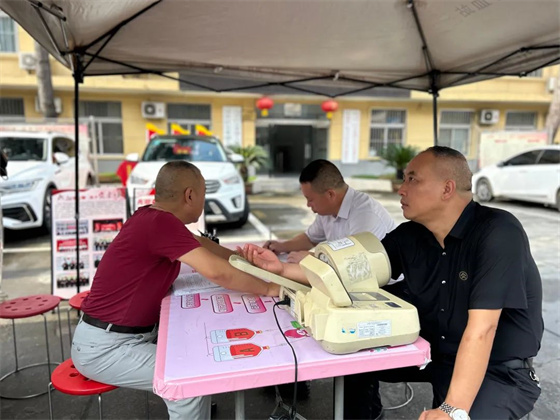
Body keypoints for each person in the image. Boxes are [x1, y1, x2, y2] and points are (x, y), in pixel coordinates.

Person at [241, 146, 543, 420]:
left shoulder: (498, 232)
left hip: (496, 369)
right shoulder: (411, 235)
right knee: (352, 358)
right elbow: (348, 271)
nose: (401, 188)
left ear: (447, 188)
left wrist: (452, 409)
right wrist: (281, 268)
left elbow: (482, 331)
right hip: (433, 352)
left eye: (412, 179)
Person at [72, 161, 279, 420]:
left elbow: (206, 246)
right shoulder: (159, 223)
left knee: (198, 354)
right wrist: (269, 287)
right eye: (203, 194)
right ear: (190, 195)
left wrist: (251, 265)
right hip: (106, 348)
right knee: (187, 383)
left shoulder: (152, 217)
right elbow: (218, 273)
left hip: (122, 336)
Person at [263, 159, 396, 263]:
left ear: (330, 194)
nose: (308, 205)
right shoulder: (327, 211)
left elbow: (356, 262)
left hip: (385, 285)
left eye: (310, 199)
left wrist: (312, 258)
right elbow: (310, 239)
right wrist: (282, 246)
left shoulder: (365, 215)